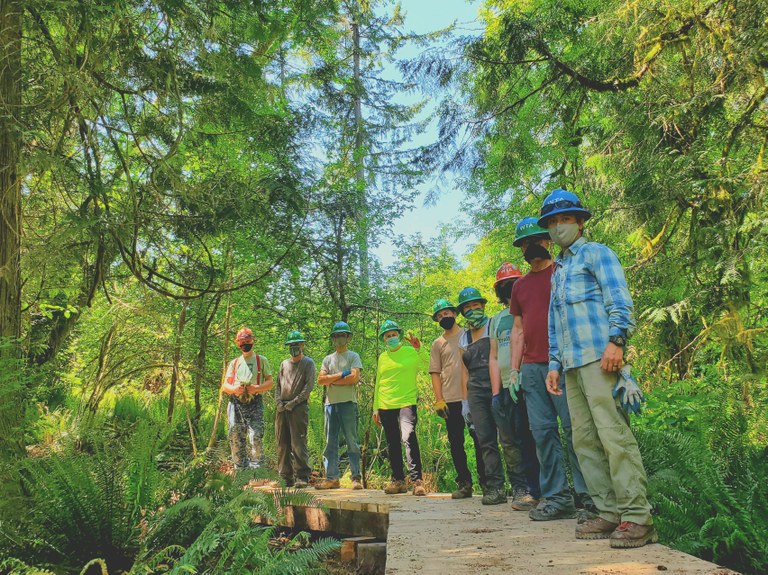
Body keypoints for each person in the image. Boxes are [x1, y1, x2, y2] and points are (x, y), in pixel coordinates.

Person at [539, 188, 656, 547]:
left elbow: (618, 299)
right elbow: (554, 323)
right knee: (584, 441)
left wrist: (616, 341)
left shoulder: (596, 254)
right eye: (554, 222)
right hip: (571, 366)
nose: (560, 227)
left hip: (599, 357)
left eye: (566, 219)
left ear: (580, 222)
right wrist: (554, 364)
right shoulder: (558, 271)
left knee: (613, 435)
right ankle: (608, 513)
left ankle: (638, 517)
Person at [510, 217, 594, 521]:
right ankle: (558, 497)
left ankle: (588, 497)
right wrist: (514, 370)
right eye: (526, 242)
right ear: (521, 248)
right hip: (532, 369)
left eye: (538, 239)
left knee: (576, 430)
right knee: (543, 433)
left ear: (548, 240)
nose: (533, 246)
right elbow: (518, 329)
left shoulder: (563, 273)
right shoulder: (519, 287)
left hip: (565, 365)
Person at [457, 287, 530, 507]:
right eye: (467, 307)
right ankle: (495, 487)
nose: (472, 310)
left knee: (508, 438)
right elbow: (464, 372)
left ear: (483, 305)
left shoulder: (494, 324)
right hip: (475, 391)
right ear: (462, 311)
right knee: (485, 441)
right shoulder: (463, 337)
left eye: (475, 305)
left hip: (499, 386)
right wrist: (464, 403)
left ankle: (520, 486)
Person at [488, 264, 541, 509]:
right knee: (510, 440)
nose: (510, 289)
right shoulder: (496, 320)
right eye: (505, 285)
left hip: (527, 381)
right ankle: (520, 487)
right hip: (505, 386)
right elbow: (494, 356)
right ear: (499, 291)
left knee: (533, 435)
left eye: (514, 283)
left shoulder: (530, 310)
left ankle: (540, 488)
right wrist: (496, 393)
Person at [429, 299, 487, 499]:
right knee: (456, 443)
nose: (444, 317)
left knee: (480, 440)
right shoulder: (438, 344)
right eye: (439, 315)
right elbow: (435, 372)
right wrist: (438, 399)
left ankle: (486, 482)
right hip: (449, 400)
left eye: (446, 313)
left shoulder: (468, 334)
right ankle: (464, 483)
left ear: (454, 314)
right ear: (437, 319)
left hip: (472, 396)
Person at [373, 319, 428, 496]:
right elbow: (378, 383)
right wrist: (376, 408)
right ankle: (398, 480)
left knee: (408, 436)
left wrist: (419, 348)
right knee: (392, 442)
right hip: (386, 404)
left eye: (394, 334)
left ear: (399, 335)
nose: (391, 338)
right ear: (384, 339)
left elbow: (428, 366)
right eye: (388, 336)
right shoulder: (382, 357)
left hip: (406, 401)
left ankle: (417, 481)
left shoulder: (410, 352)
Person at [316, 321, 363, 490]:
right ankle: (331, 478)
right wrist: (341, 375)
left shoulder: (353, 356)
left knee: (352, 441)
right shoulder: (328, 359)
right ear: (333, 339)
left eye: (343, 335)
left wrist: (333, 380)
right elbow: (321, 380)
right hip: (330, 405)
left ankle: (356, 478)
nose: (339, 338)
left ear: (348, 337)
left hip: (349, 404)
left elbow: (354, 378)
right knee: (330, 442)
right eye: (337, 336)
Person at [222, 327, 273, 470]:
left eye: (247, 340)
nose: (245, 344)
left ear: (252, 341)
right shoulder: (235, 363)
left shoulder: (261, 360)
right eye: (242, 341)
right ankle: (240, 471)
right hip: (236, 402)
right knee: (235, 435)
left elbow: (270, 382)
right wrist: (234, 389)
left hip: (254, 402)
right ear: (238, 343)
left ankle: (257, 471)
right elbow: (225, 385)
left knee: (255, 436)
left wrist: (257, 388)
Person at [275, 330, 316, 488]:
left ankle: (302, 476)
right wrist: (279, 402)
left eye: (297, 344)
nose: (294, 347)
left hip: (298, 408)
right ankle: (285, 477)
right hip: (282, 408)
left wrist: (294, 402)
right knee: (282, 442)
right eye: (291, 345)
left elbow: (308, 387)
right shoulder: (284, 364)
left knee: (298, 442)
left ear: (302, 345)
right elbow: (278, 385)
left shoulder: (308, 363)